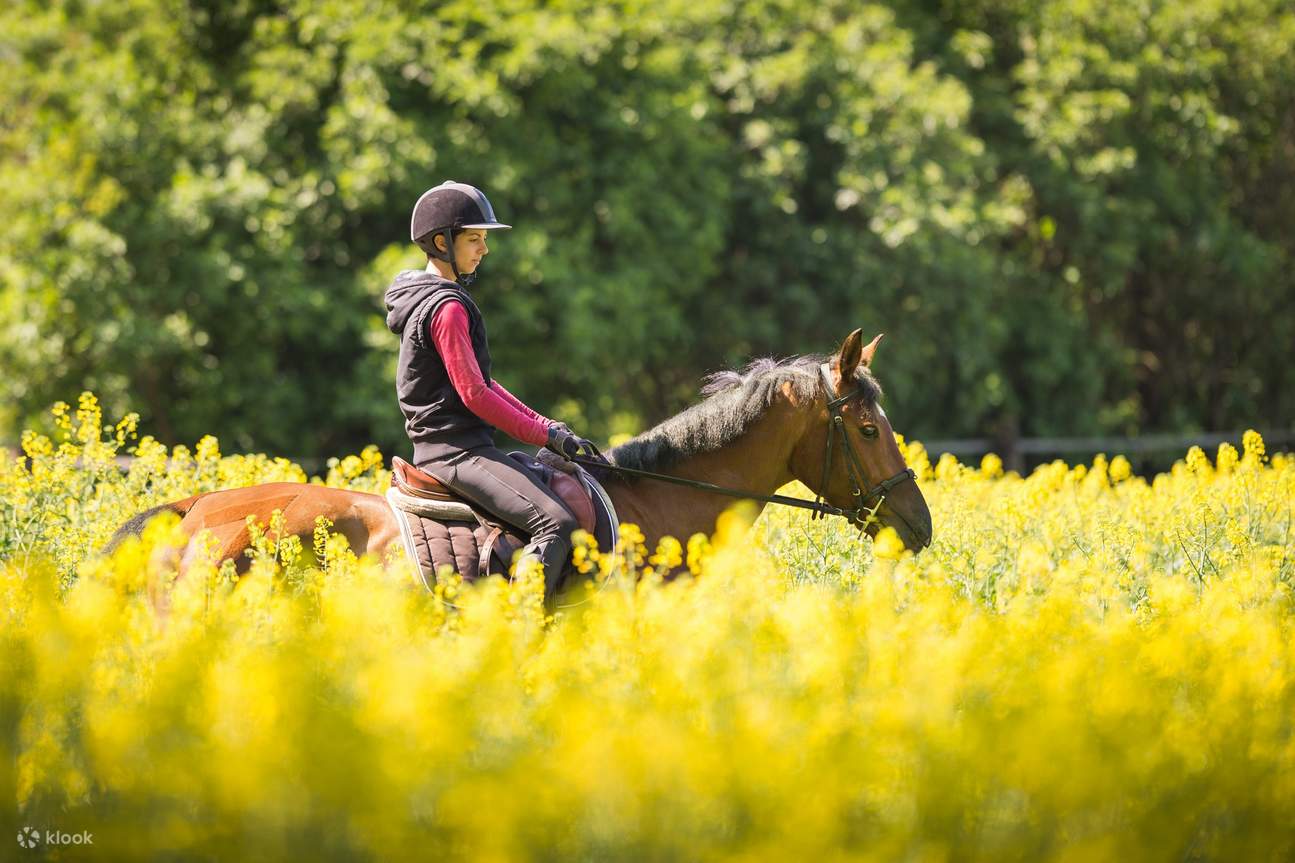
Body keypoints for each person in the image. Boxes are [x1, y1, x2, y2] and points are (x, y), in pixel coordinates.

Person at [384, 180, 602, 590]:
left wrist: (547, 427)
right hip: (455, 454)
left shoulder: (435, 299)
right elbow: (475, 395)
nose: (484, 249)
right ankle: (520, 630)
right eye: (474, 239)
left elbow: (481, 382)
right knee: (555, 523)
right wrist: (543, 434)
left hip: (459, 448)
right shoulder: (446, 308)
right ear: (441, 242)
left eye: (484, 239)